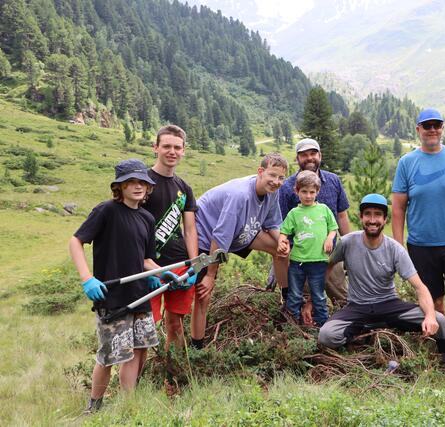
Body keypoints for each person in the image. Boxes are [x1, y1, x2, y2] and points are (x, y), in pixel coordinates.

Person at [318, 194, 445, 393]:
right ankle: (364, 333)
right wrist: (313, 300)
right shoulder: (348, 242)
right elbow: (325, 268)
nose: (373, 220)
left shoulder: (395, 249)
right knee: (326, 335)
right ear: (360, 217)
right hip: (358, 307)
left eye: (378, 215)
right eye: (368, 214)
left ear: (385, 220)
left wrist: (429, 316)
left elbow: (419, 287)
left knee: (441, 321)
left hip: (390, 305)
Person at [69, 159, 170, 412]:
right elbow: (75, 241)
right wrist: (87, 278)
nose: (137, 186)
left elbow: (146, 259)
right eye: (131, 182)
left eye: (142, 182)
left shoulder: (147, 218)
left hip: (140, 296)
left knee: (138, 350)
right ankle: (94, 406)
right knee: (110, 355)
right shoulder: (106, 211)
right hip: (112, 297)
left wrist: (166, 274)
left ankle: (128, 404)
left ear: (148, 187)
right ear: (120, 186)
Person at [391, 108, 445, 346]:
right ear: (418, 129)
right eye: (427, 126)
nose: (432, 130)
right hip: (420, 245)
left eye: (436, 125)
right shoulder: (407, 162)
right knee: (433, 299)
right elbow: (398, 207)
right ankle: (442, 344)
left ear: (442, 129)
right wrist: (398, 246)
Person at [191, 153, 289, 349]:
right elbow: (219, 238)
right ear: (260, 172)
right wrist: (210, 275)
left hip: (242, 229)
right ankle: (197, 347)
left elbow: (272, 223)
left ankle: (288, 300)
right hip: (207, 235)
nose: (276, 182)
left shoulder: (273, 191)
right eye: (272, 175)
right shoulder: (240, 195)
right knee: (204, 294)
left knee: (282, 251)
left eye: (281, 178)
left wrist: (282, 241)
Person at [279, 138, 351, 321]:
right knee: (301, 300)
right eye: (304, 155)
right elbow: (282, 225)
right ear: (297, 159)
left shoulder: (333, 181)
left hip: (330, 253)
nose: (309, 158)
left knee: (341, 297)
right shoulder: (287, 187)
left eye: (313, 153)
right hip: (300, 256)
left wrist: (349, 246)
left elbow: (341, 215)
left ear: (320, 156)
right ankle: (304, 338)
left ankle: (342, 329)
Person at [143, 125, 198, 350]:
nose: (172, 151)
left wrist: (194, 265)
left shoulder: (184, 188)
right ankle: (137, 379)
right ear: (155, 147)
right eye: (166, 146)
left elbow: (190, 230)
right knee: (146, 325)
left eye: (177, 147)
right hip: (147, 267)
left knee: (175, 324)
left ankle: (172, 374)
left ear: (184, 150)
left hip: (179, 264)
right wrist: (142, 265)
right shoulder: (142, 182)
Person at [278, 170, 338, 326]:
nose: (308, 196)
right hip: (297, 261)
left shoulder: (324, 210)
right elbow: (284, 232)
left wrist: (329, 238)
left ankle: (322, 325)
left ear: (318, 192)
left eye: (312, 192)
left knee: (318, 295)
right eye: (304, 191)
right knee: (295, 295)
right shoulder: (294, 213)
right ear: (297, 191)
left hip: (319, 261)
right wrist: (282, 242)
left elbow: (333, 228)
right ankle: (292, 325)